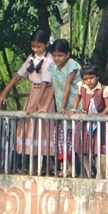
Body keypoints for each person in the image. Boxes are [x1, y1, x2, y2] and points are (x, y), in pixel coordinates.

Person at [0, 30, 53, 160]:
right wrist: (5, 91)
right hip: (33, 92)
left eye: (38, 47)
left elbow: (45, 83)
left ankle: (46, 162)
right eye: (33, 46)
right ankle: (36, 163)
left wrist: (35, 105)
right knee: (29, 127)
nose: (35, 49)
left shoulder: (49, 60)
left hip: (44, 95)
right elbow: (18, 75)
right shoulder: (31, 58)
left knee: (43, 128)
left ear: (47, 44)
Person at [67, 63, 108, 176]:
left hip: (98, 124)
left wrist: (101, 115)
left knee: (97, 150)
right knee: (83, 149)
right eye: (86, 79)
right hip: (84, 122)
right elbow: (78, 96)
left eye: (91, 78)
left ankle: (99, 174)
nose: (89, 81)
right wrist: (74, 108)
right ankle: (88, 172)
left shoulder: (103, 89)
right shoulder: (82, 87)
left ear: (97, 77)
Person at [47, 39, 81, 175]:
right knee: (60, 138)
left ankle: (72, 168)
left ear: (67, 54)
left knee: (72, 138)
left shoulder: (72, 65)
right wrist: (45, 105)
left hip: (74, 107)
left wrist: (62, 107)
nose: (56, 58)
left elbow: (67, 87)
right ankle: (63, 167)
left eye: (60, 56)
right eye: (54, 55)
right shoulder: (53, 67)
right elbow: (53, 87)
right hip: (62, 110)